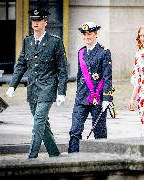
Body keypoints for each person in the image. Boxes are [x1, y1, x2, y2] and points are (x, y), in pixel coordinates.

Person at [6, 8, 68, 158]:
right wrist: (12, 85)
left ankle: (31, 156)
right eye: (33, 20)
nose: (35, 23)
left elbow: (62, 69)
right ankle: (54, 153)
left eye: (38, 20)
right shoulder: (27, 41)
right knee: (42, 123)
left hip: (48, 87)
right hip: (33, 88)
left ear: (45, 22)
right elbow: (21, 64)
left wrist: (61, 92)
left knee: (38, 122)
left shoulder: (55, 42)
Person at [68, 22, 113, 153]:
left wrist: (107, 98)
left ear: (95, 34)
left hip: (97, 98)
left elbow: (107, 77)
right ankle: (72, 158)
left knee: (99, 131)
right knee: (75, 129)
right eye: (84, 34)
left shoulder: (104, 52)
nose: (87, 37)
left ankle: (102, 157)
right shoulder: (81, 52)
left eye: (90, 34)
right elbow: (79, 75)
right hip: (82, 97)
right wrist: (77, 94)